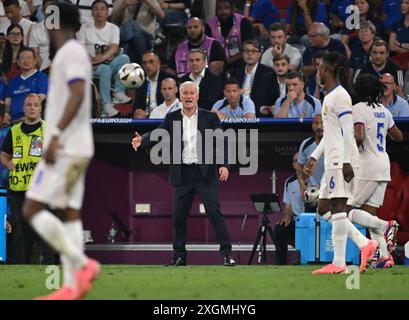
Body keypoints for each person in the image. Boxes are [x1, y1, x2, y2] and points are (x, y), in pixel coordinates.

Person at [22, 1, 100, 300]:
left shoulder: (72, 52)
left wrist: (54, 137)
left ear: (55, 24)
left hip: (66, 146)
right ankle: (71, 286)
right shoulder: (70, 53)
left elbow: (79, 92)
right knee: (70, 213)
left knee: (32, 208)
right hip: (77, 146)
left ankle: (82, 265)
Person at [132, 81, 236, 267]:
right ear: (180, 97)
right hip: (182, 174)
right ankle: (179, 256)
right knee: (179, 217)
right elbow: (160, 132)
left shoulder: (209, 117)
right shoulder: (172, 118)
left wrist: (225, 165)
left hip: (205, 173)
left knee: (214, 214)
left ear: (197, 96)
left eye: (192, 93)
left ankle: (227, 254)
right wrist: (143, 140)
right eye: (185, 93)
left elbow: (222, 142)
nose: (188, 96)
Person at [304, 52, 377, 274]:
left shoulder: (341, 96)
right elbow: (331, 133)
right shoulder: (329, 97)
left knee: (337, 208)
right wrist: (315, 155)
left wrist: (346, 162)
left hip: (341, 160)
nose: (317, 72)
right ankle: (364, 244)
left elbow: (348, 132)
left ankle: (339, 263)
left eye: (319, 68)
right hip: (333, 159)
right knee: (324, 209)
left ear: (328, 69)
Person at [347, 74, 403, 269]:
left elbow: (360, 136)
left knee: (346, 209)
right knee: (369, 213)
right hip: (383, 164)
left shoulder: (357, 109)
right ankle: (385, 256)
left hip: (367, 164)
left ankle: (385, 226)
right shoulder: (384, 111)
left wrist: (348, 140)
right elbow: (399, 136)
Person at [1, 93, 55, 264]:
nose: (32, 108)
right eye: (29, 105)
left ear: (40, 109)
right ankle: (21, 267)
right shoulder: (13, 131)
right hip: (17, 189)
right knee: (19, 230)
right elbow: (3, 154)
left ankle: (49, 266)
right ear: (23, 108)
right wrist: (7, 163)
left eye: (35, 105)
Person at [77, 0, 131, 118]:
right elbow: (80, 48)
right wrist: (93, 60)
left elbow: (114, 48)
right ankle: (106, 105)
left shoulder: (113, 28)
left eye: (102, 9)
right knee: (105, 69)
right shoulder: (84, 28)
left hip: (105, 62)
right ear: (91, 13)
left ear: (107, 12)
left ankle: (118, 92)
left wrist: (102, 58)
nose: (99, 12)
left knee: (124, 58)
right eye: (96, 9)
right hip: (90, 66)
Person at [274, 152, 305, 265]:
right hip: (297, 221)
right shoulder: (289, 182)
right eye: (295, 161)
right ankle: (281, 264)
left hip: (312, 221)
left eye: (300, 160)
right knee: (279, 229)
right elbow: (288, 205)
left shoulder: (314, 179)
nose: (298, 163)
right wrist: (286, 217)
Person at [207, 0, 254, 71]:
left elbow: (247, 50)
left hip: (239, 63)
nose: (223, 12)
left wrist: (227, 61)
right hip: (218, 64)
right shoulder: (210, 25)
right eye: (220, 9)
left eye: (226, 8)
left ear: (232, 9)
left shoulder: (244, 22)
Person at [5, 47, 48, 123]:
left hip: (32, 121)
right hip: (13, 122)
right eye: (22, 58)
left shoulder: (41, 77)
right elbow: (8, 103)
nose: (26, 61)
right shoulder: (13, 81)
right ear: (17, 62)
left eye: (29, 58)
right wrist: (6, 115)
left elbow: (40, 99)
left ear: (35, 61)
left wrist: (27, 118)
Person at [232, 40, 273, 114]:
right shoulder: (238, 72)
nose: (250, 54)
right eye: (247, 51)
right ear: (243, 54)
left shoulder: (267, 72)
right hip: (238, 112)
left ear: (259, 54)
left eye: (253, 51)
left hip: (258, 112)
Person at [133, 51, 176, 118]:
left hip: (164, 117)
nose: (147, 66)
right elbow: (137, 106)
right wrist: (138, 111)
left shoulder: (169, 79)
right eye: (145, 63)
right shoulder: (140, 81)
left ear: (158, 63)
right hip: (146, 119)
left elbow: (175, 105)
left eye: (151, 62)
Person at [296, 114, 324, 199]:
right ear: (312, 125)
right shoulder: (305, 144)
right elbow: (299, 169)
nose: (319, 126)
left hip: (330, 189)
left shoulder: (335, 144)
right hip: (312, 190)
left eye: (322, 123)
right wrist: (302, 186)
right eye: (316, 123)